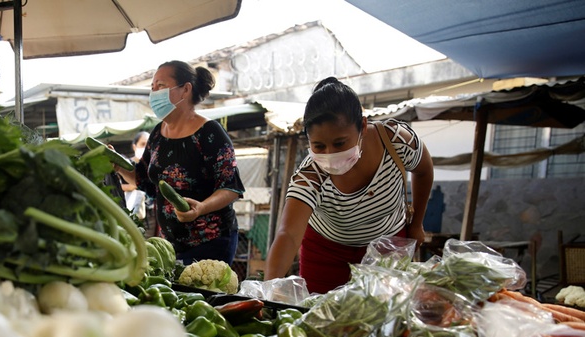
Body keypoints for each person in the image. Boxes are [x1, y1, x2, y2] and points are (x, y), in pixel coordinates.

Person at [265, 77, 434, 294]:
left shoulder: (396, 141)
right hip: (326, 255)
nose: (330, 154)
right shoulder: (309, 175)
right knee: (321, 318)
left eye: (339, 143)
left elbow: (424, 170)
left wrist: (417, 223)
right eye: (318, 146)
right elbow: (287, 234)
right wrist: (266, 293)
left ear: (362, 126)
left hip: (388, 248)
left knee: (387, 317)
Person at [115, 60, 245, 265]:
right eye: (152, 87)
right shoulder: (158, 133)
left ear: (185, 90)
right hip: (170, 246)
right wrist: (117, 164)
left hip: (211, 242)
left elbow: (230, 188)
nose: (154, 93)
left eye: (161, 86)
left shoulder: (210, 133)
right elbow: (144, 179)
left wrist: (200, 208)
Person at [121, 131, 158, 237]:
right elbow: (117, 186)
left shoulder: (154, 165)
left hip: (150, 212)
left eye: (148, 144)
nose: (145, 147)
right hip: (131, 210)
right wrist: (135, 184)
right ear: (134, 146)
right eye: (142, 144)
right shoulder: (126, 165)